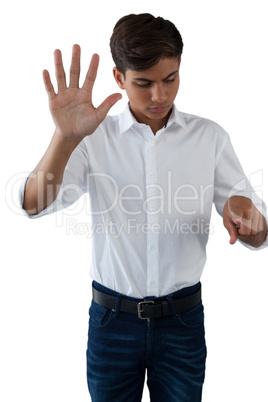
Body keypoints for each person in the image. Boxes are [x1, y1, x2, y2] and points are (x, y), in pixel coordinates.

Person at [19, 13, 267, 402]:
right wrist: (64, 138)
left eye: (170, 80)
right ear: (119, 78)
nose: (160, 96)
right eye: (144, 83)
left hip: (183, 323)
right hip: (111, 323)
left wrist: (248, 217)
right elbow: (33, 204)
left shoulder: (210, 138)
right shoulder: (91, 139)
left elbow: (257, 229)